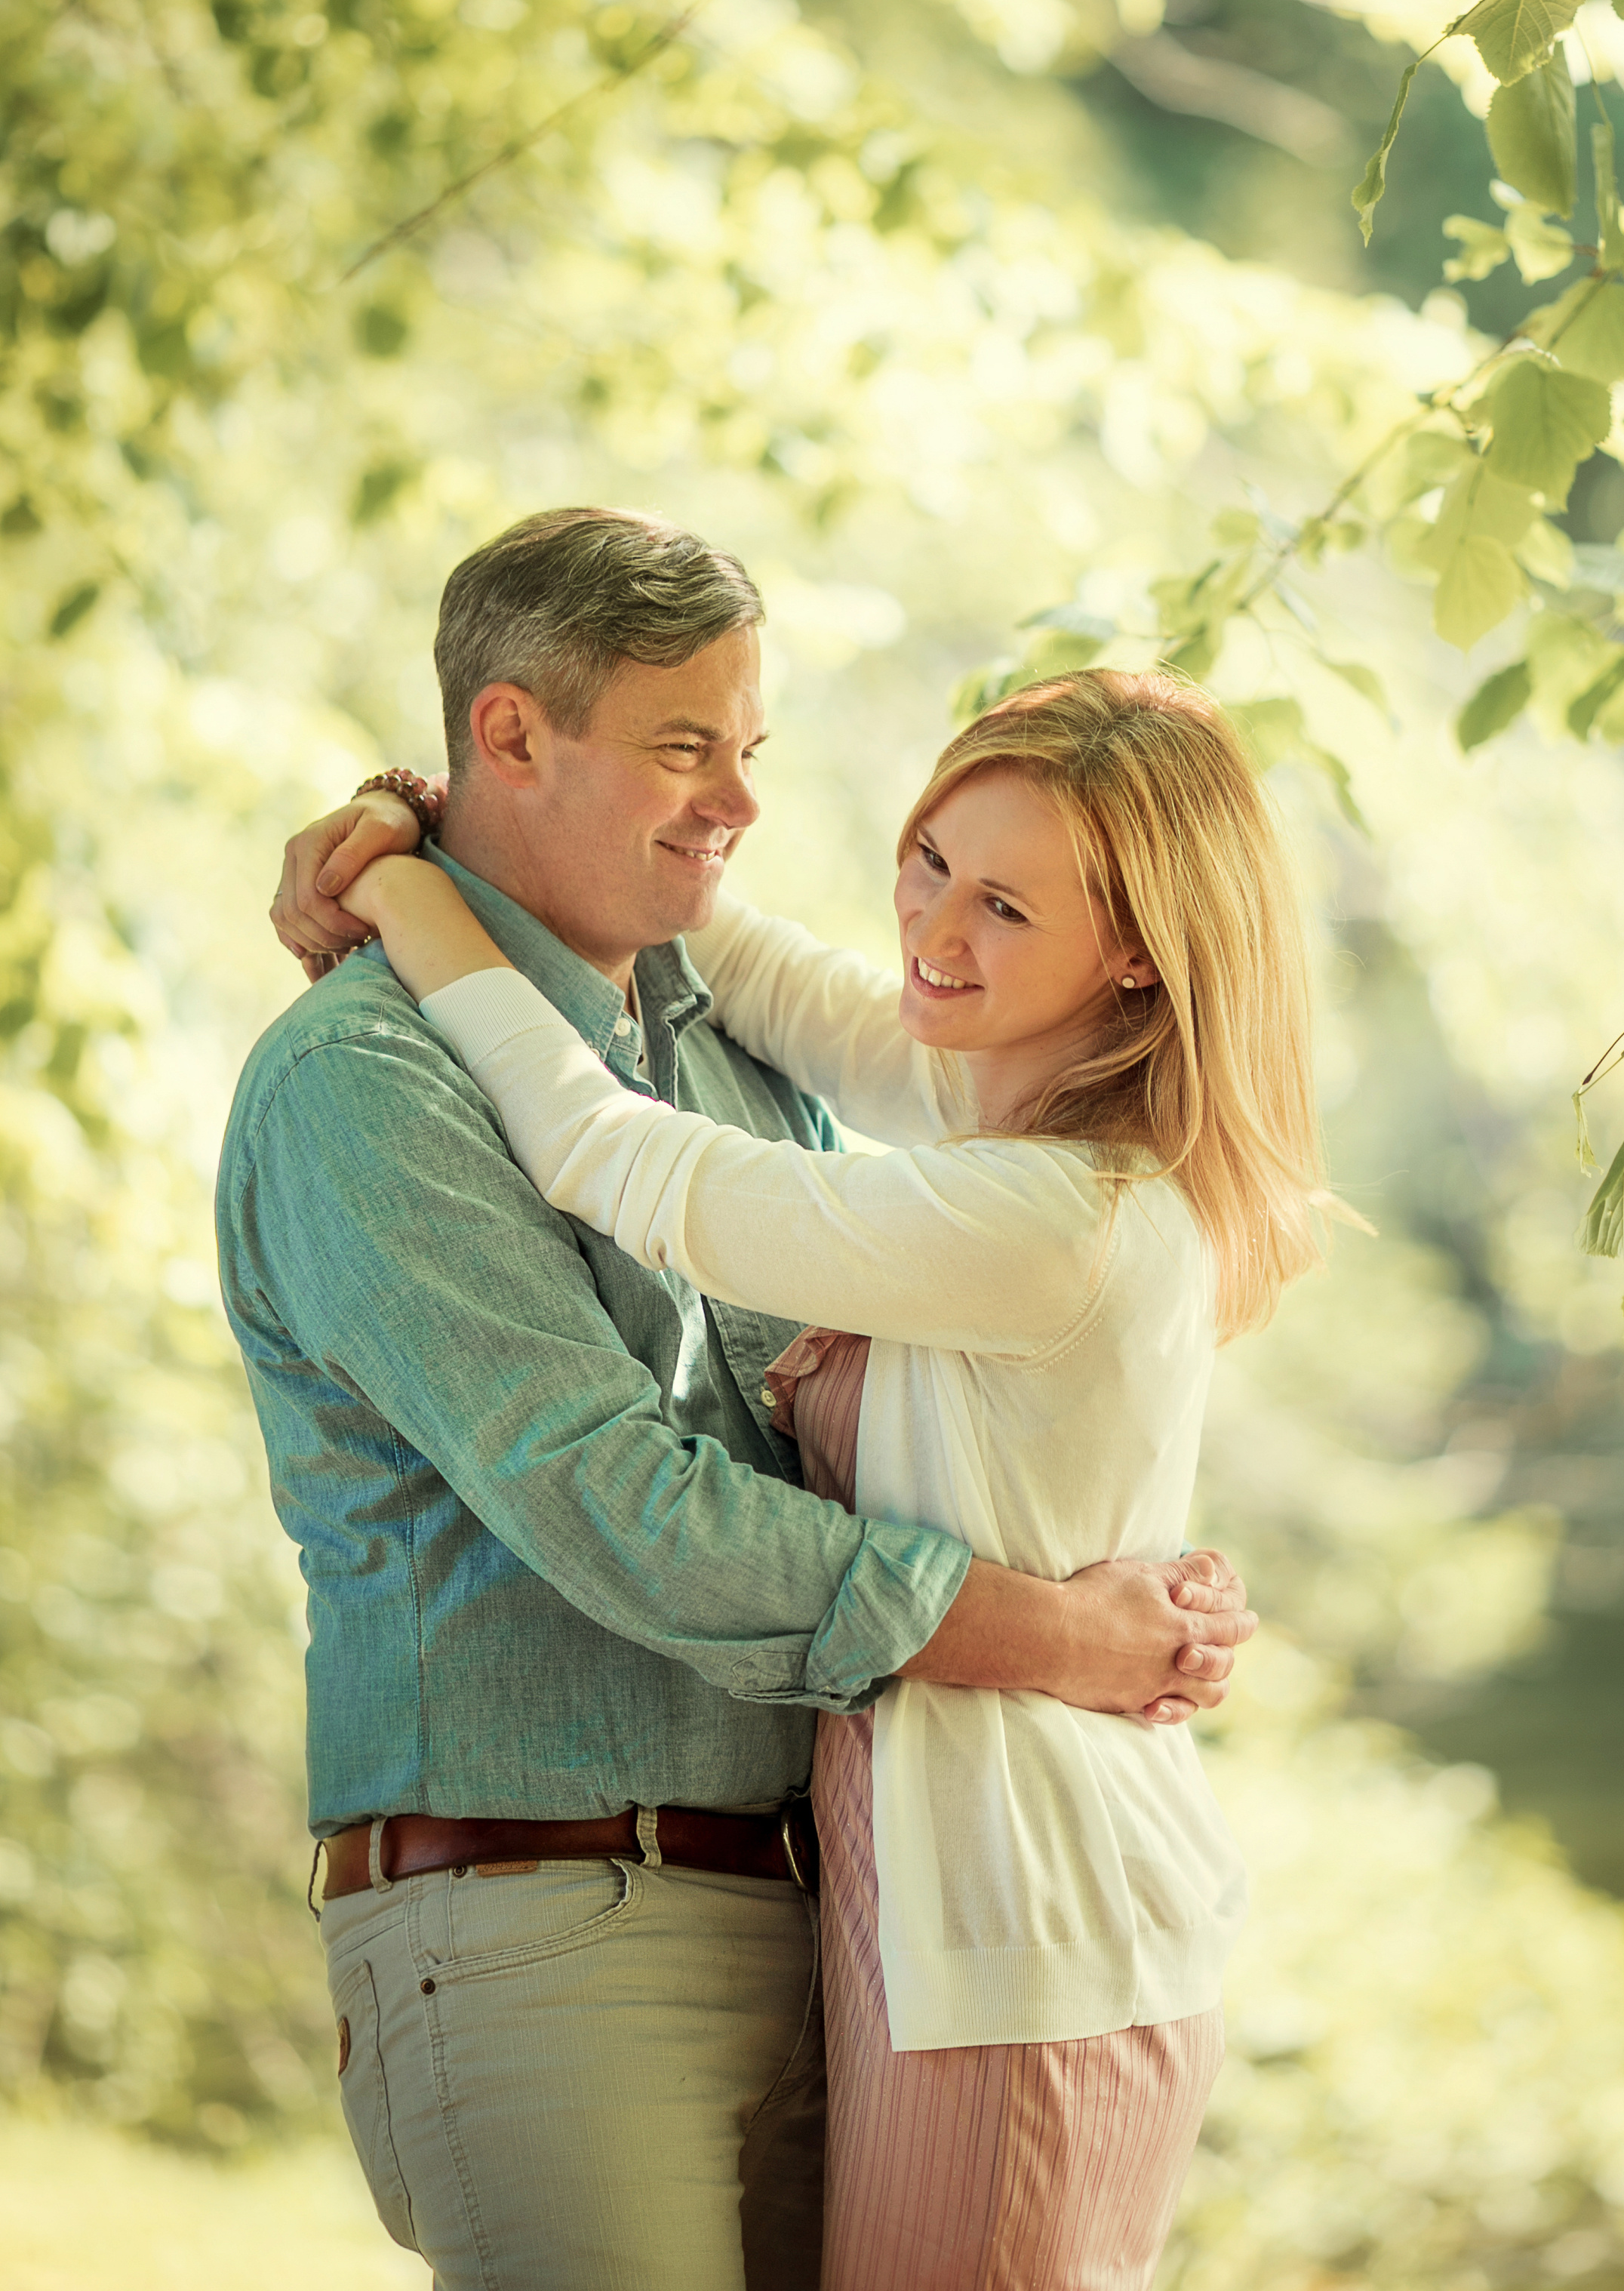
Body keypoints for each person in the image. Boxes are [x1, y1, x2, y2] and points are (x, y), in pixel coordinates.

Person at [231, 505, 1254, 2291]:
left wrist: (1118, 1566)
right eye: (685, 746)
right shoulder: (367, 1082)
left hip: (830, 1909)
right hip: (543, 1919)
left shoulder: (723, 1035)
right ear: (512, 735)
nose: (740, 801)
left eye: (750, 750)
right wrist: (1047, 1628)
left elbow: (795, 1293)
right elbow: (616, 1502)